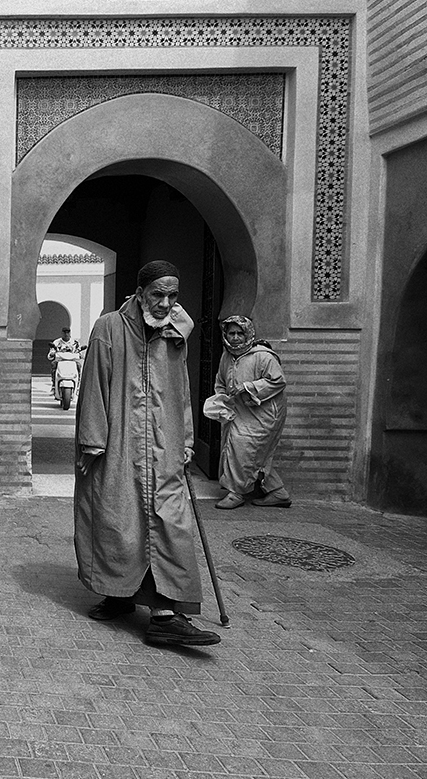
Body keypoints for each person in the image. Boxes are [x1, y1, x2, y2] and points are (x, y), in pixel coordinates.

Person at [73, 260, 220, 647]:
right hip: (118, 446)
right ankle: (119, 594)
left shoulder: (174, 334)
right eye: (157, 295)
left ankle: (165, 615)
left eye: (173, 296)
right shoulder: (109, 328)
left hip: (164, 445)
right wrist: (93, 440)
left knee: (168, 523)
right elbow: (93, 386)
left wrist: (185, 439)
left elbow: (179, 390)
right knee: (118, 522)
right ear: (139, 295)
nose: (165, 303)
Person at [210, 315, 292, 509]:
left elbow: (278, 381)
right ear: (226, 335)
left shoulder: (263, 356)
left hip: (265, 414)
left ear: (248, 334)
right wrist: (222, 400)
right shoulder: (227, 356)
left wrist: (248, 387)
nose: (236, 337)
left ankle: (236, 493)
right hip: (240, 412)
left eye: (240, 333)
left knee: (243, 449)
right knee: (252, 453)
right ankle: (278, 492)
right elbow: (221, 382)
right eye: (232, 333)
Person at [48, 327, 82, 399]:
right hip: (60, 361)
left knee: (79, 365)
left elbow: (79, 351)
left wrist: (81, 354)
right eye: (64, 332)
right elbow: (50, 354)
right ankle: (54, 385)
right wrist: (52, 354)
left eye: (68, 332)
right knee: (53, 364)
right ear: (62, 333)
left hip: (72, 361)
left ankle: (77, 386)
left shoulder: (75, 343)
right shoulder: (56, 342)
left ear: (70, 333)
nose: (66, 334)